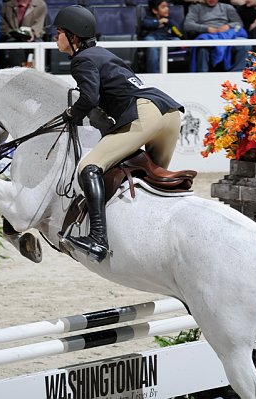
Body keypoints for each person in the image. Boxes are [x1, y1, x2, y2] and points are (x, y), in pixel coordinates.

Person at [53, 5, 184, 263]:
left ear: (73, 37)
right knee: (151, 177)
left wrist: (71, 114)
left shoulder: (81, 60)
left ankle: (98, 239)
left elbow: (89, 98)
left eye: (59, 32)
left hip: (144, 114)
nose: (55, 37)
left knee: (89, 167)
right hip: (169, 113)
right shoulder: (101, 54)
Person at [183, 0, 251, 72]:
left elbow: (239, 23)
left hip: (227, 35)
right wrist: (207, 29)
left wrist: (228, 26)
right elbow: (187, 25)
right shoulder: (196, 8)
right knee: (202, 48)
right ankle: (202, 75)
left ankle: (237, 72)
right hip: (208, 35)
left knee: (245, 45)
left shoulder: (227, 7)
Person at [0, 0, 47, 67]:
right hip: (12, 37)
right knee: (14, 47)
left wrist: (32, 33)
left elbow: (39, 24)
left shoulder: (40, 4)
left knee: (38, 45)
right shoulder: (6, 5)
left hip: (33, 37)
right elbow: (2, 24)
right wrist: (12, 33)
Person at [140, 0, 184, 73]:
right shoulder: (148, 19)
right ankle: (154, 73)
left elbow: (179, 34)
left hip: (166, 40)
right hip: (153, 39)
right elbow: (145, 24)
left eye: (167, 6)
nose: (167, 9)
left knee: (177, 40)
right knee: (152, 45)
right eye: (163, 7)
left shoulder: (169, 21)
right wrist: (159, 22)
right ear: (155, 10)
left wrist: (169, 23)